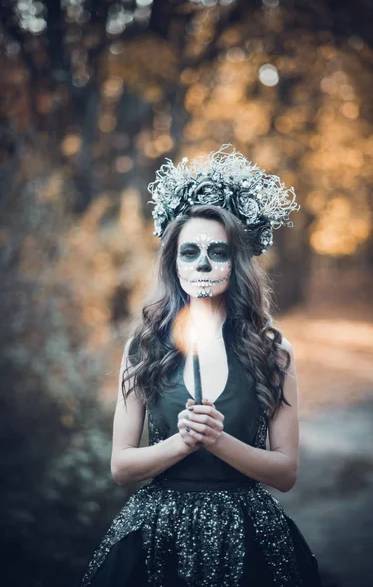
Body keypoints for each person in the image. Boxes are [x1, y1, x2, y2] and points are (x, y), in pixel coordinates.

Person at [81, 145, 322, 586]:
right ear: (173, 263)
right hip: (158, 537)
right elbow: (121, 467)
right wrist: (184, 443)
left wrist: (219, 440)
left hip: (248, 537)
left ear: (238, 262)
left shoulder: (274, 351)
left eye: (219, 252)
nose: (204, 263)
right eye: (189, 252)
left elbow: (285, 473)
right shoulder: (144, 346)